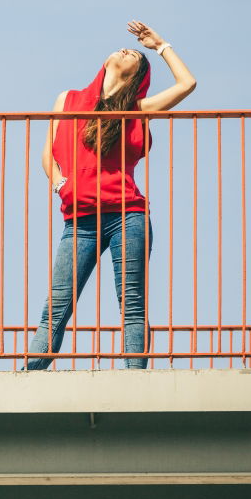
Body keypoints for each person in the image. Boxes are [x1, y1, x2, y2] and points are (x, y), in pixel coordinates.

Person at [24, 20, 197, 370]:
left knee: (131, 303)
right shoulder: (67, 99)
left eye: (133, 54)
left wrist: (159, 46)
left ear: (137, 75)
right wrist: (63, 186)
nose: (125, 50)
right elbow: (48, 156)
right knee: (57, 303)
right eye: (124, 49)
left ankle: (134, 376)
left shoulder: (138, 110)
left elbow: (187, 84)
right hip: (79, 219)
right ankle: (30, 373)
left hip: (127, 215)